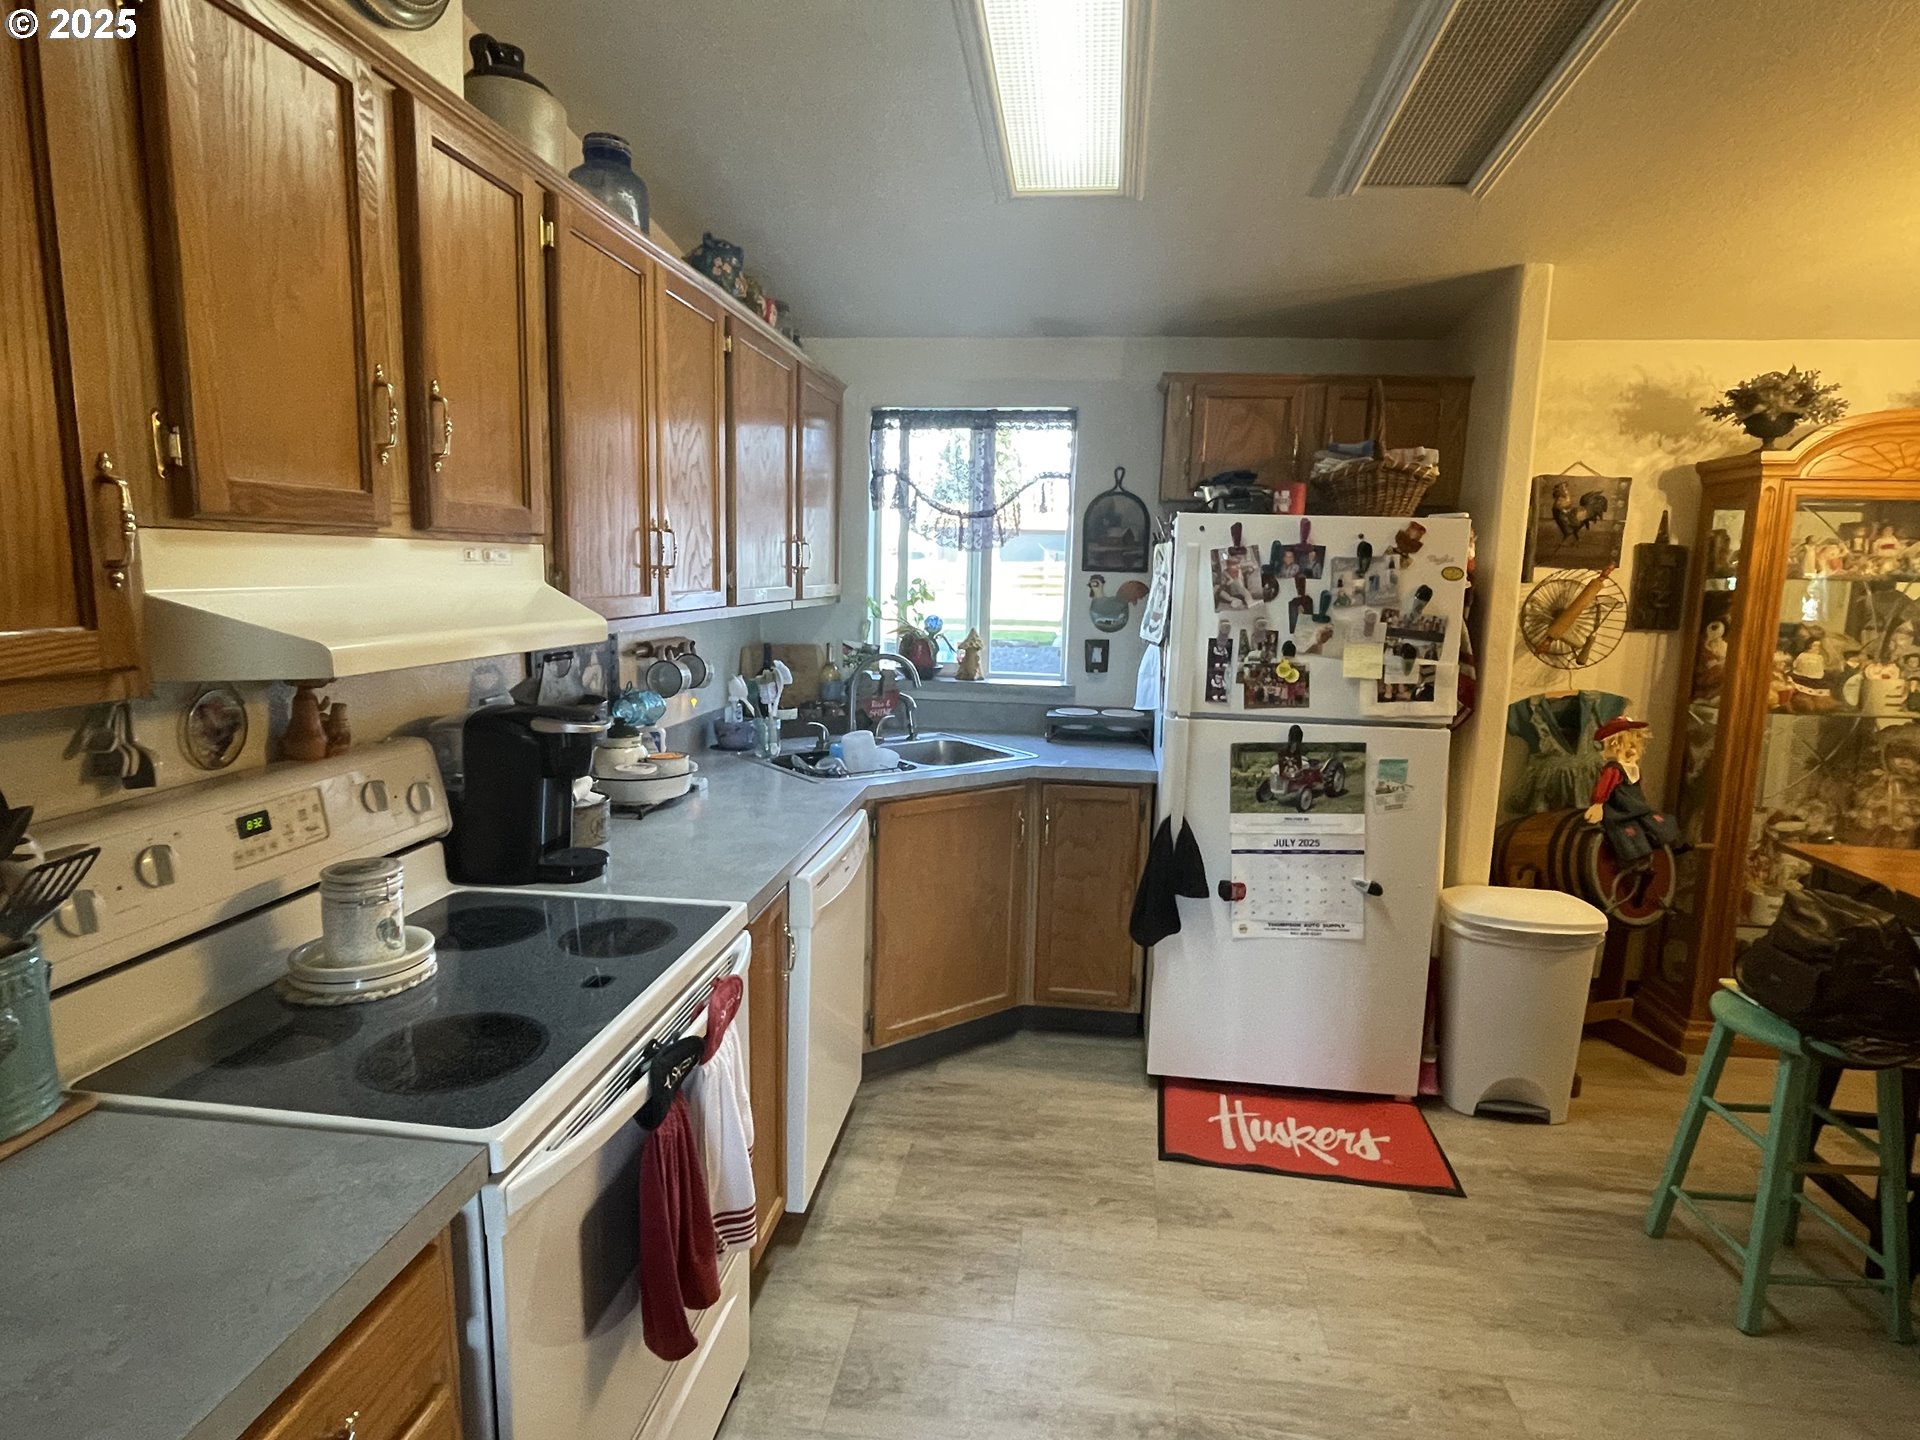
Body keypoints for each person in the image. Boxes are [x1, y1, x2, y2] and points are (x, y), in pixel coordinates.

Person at [1583, 716, 1683, 866]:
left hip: (1628, 809)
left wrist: (1599, 803)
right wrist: (1598, 805)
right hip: (1626, 809)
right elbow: (1606, 788)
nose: (1631, 750)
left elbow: (1622, 789)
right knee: (1632, 830)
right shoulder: (1617, 769)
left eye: (1634, 746)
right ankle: (1642, 854)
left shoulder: (1625, 769)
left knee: (1648, 824)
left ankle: (1669, 844)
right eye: (1627, 746)